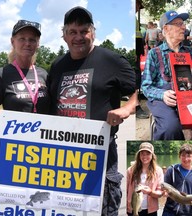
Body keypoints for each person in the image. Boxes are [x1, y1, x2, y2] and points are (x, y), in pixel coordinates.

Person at [49, 6, 137, 215]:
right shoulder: (57, 66)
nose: (78, 37)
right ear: (64, 36)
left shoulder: (112, 60)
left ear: (93, 33)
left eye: (84, 31)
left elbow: (139, 91)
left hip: (101, 154)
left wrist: (127, 108)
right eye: (73, 31)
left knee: (103, 210)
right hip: (63, 156)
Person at [0, 19, 50, 124]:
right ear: (13, 42)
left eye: (32, 40)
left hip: (42, 138)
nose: (27, 43)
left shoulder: (44, 74)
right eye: (22, 39)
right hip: (15, 138)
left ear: (37, 44)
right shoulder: (2, 74)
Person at [141, 10, 191, 140]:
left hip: (188, 97)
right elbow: (146, 86)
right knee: (170, 127)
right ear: (166, 29)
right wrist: (162, 94)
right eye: (178, 24)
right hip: (164, 99)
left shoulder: (189, 52)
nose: (184, 27)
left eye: (183, 23)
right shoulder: (154, 53)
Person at [127, 142, 164, 215]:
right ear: (139, 155)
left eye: (148, 154)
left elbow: (160, 193)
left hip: (151, 211)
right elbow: (126, 191)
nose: (144, 156)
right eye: (142, 153)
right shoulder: (130, 170)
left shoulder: (158, 171)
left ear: (152, 155)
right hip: (132, 209)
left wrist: (150, 192)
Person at [162, 143, 192, 215]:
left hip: (187, 212)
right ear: (179, 156)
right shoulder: (171, 170)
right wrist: (164, 193)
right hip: (169, 211)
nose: (186, 159)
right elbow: (164, 188)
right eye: (183, 156)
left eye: (189, 156)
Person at [135, 0, 149, 119]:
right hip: (133, 52)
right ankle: (135, 106)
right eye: (137, 4)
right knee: (134, 78)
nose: (138, 7)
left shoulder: (135, 19)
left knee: (137, 77)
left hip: (136, 52)